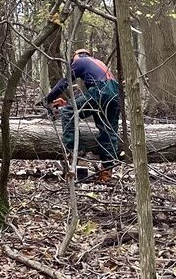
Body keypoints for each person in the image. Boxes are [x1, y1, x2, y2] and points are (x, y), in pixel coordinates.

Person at [43, 49, 120, 182]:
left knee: (68, 111)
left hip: (100, 90)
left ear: (75, 57)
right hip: (115, 93)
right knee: (109, 131)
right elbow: (92, 95)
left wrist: (48, 99)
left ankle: (74, 151)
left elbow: (64, 83)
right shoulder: (97, 63)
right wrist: (68, 101)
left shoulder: (80, 61)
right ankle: (107, 172)